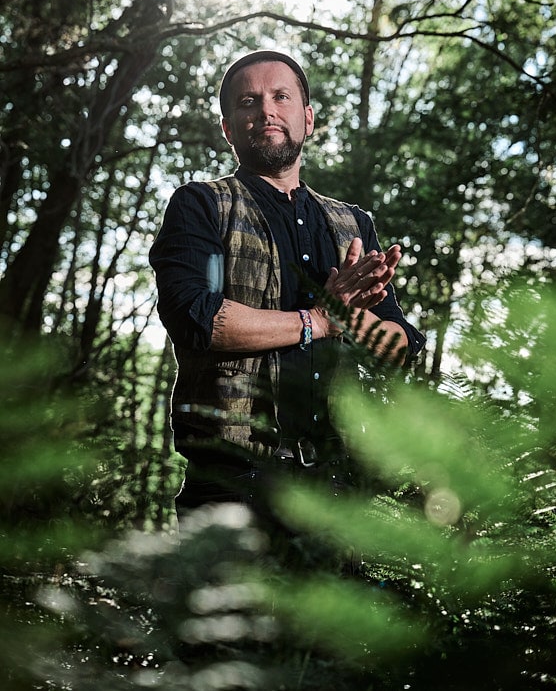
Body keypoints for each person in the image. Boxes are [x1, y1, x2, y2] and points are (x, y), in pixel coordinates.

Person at [149, 50, 425, 520]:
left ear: (308, 118)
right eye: (248, 101)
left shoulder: (353, 224)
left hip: (339, 489)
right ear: (229, 128)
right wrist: (319, 319)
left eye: (281, 97)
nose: (266, 110)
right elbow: (198, 319)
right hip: (232, 484)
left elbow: (398, 346)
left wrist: (352, 320)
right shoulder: (201, 204)